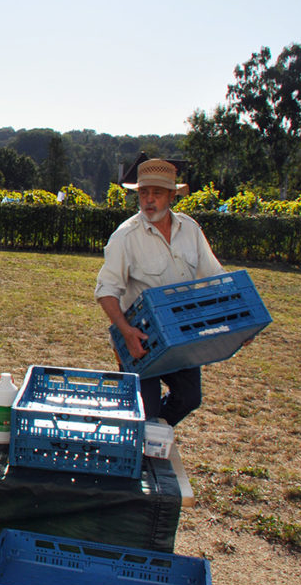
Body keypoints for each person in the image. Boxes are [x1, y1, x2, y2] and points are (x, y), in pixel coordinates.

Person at [94, 159, 226, 426]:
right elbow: (106, 291)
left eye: (157, 193)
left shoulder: (190, 229)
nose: (149, 200)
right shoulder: (126, 237)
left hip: (181, 332)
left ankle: (155, 433)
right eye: (144, 193)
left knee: (189, 398)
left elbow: (216, 277)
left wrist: (236, 323)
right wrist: (126, 332)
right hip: (142, 339)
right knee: (145, 409)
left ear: (172, 196)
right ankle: (142, 439)